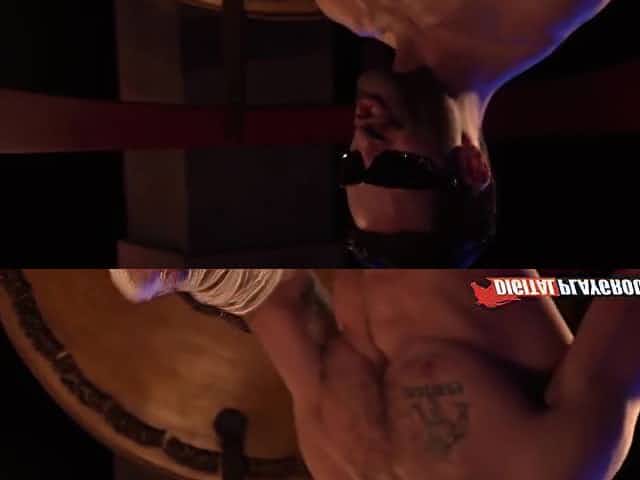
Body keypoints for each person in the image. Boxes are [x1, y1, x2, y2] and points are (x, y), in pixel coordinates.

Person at [248, 269, 639, 480]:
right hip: (454, 175)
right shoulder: (556, 467)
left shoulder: (342, 466)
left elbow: (275, 298)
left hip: (334, 191)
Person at [326, 0, 612, 267]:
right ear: (472, 166)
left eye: (354, 166)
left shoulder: (344, 8)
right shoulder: (549, 7)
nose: (365, 142)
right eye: (395, 169)